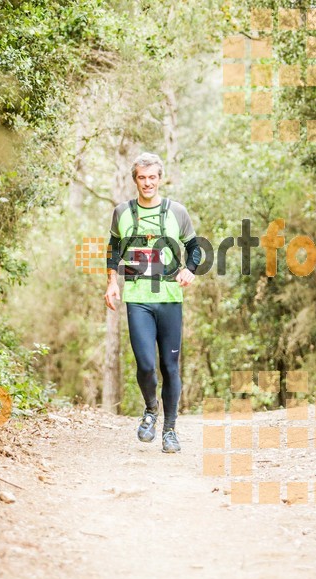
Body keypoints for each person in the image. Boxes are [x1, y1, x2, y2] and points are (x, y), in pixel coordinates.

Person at [104, 152, 201, 453]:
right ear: (135, 180)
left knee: (169, 366)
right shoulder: (122, 212)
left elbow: (195, 249)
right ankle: (150, 410)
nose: (147, 183)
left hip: (170, 299)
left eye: (152, 177)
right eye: (142, 178)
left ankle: (170, 431)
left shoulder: (177, 212)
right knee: (146, 365)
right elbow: (114, 249)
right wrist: (111, 283)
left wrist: (190, 270)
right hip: (138, 299)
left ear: (160, 179)